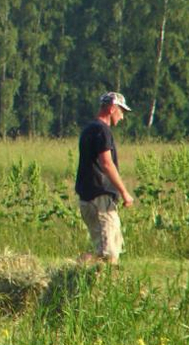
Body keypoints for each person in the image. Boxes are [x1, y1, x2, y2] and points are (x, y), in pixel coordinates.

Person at [75, 91, 135, 264]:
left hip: (89, 198)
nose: (122, 117)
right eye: (121, 111)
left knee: (111, 250)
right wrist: (124, 193)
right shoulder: (102, 131)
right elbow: (106, 163)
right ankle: (73, 271)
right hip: (99, 199)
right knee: (107, 254)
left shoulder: (88, 130)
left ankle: (98, 282)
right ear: (111, 108)